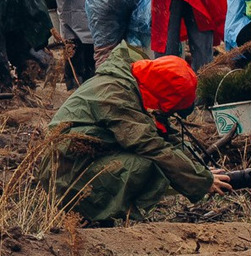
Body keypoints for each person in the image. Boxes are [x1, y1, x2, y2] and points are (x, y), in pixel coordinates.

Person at [43, 46, 225, 225]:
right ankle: (94, 213)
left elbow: (166, 136)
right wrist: (202, 181)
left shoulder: (136, 79)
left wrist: (201, 171)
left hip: (84, 160)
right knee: (146, 165)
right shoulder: (116, 96)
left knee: (156, 157)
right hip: (66, 174)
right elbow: (152, 146)